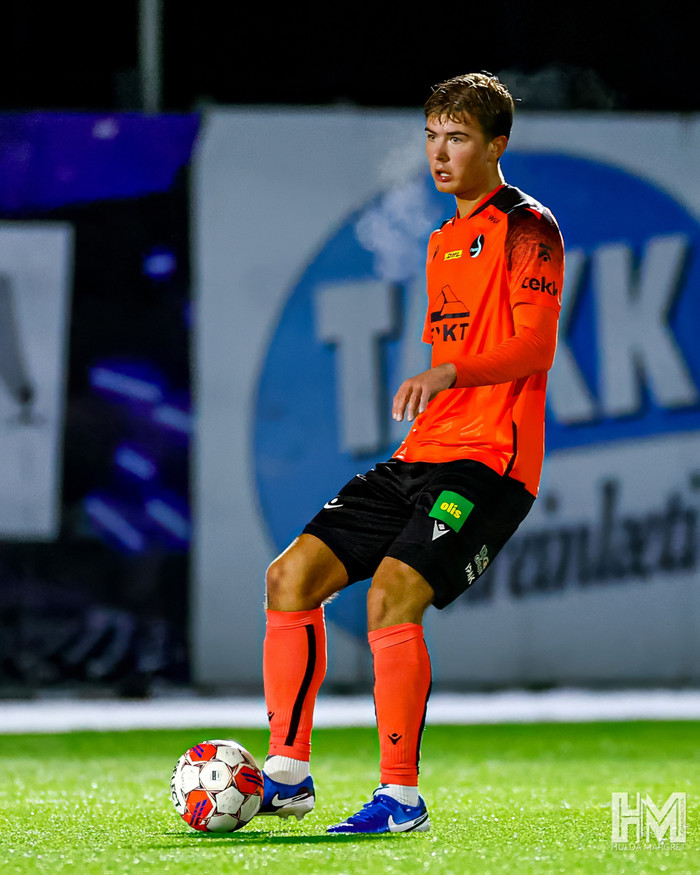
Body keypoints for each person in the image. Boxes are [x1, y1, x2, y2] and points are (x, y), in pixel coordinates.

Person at [257, 71, 565, 834]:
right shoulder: (442, 240)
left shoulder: (529, 227)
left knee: (392, 595)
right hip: (422, 453)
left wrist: (449, 372)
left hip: (490, 463)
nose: (440, 152)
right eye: (431, 136)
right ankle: (287, 775)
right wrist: (442, 386)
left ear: (496, 145)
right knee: (290, 577)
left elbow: (535, 347)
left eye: (457, 137)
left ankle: (401, 798)